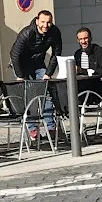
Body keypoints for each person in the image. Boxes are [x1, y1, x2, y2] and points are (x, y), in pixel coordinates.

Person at [10, 9, 62, 139]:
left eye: (49, 22)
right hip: (22, 65)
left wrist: (48, 73)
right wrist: (20, 75)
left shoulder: (54, 32)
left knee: (47, 92)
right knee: (28, 95)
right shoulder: (27, 33)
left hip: (39, 64)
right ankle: (32, 128)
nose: (45, 25)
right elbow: (14, 54)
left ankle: (51, 127)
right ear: (37, 21)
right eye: (43, 22)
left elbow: (56, 54)